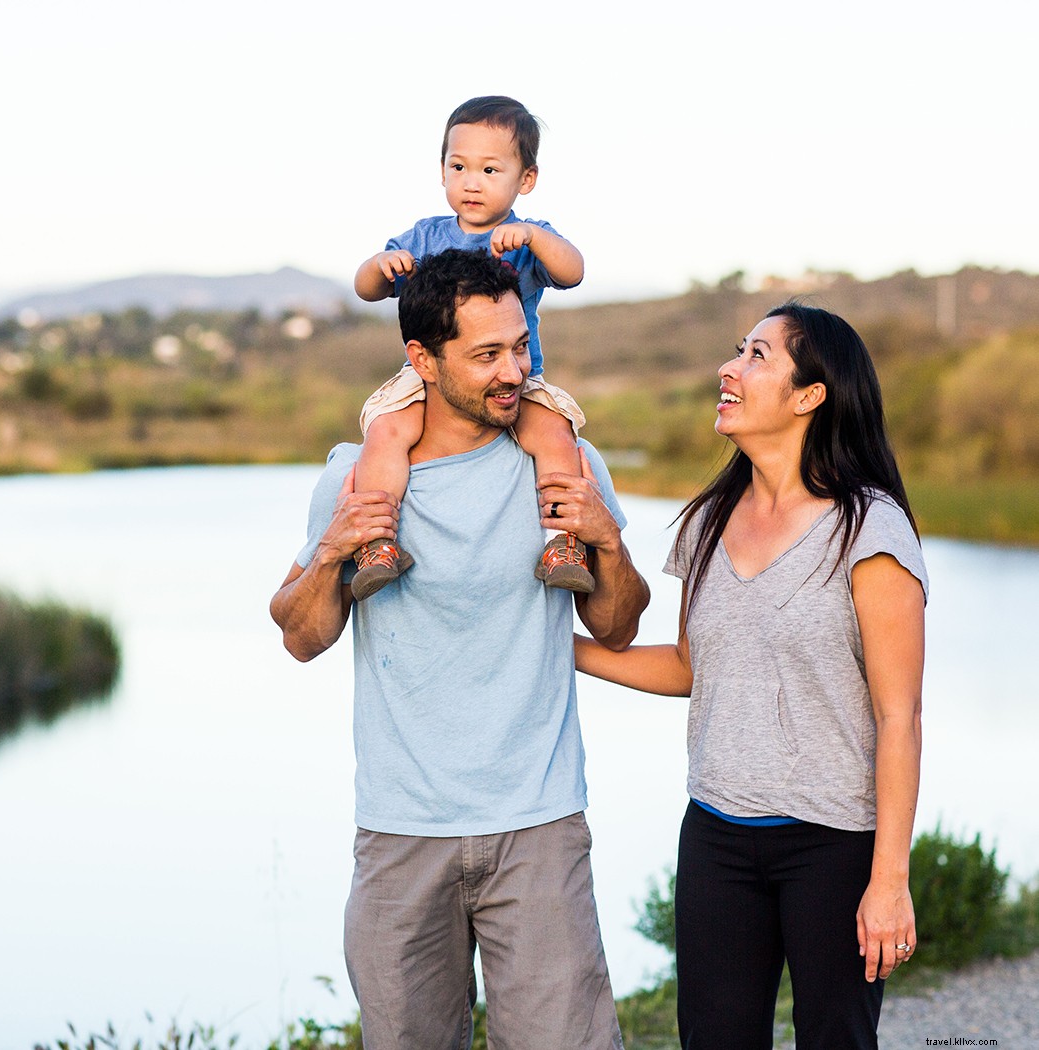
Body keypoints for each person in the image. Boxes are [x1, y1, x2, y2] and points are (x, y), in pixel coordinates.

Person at [270, 249, 649, 1048]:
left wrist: (606, 541)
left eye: (520, 347)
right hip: (402, 830)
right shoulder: (355, 478)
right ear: (422, 360)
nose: (512, 371)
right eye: (485, 355)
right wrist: (335, 550)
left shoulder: (570, 464)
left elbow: (616, 628)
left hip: (539, 825)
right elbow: (302, 636)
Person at [575, 303, 927, 1049]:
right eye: (738, 350)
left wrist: (888, 881)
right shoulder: (709, 519)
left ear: (810, 395)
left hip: (833, 845)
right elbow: (687, 668)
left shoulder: (870, 529)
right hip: (717, 837)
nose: (728, 370)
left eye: (758, 356)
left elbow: (900, 717)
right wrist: (560, 649)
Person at [348, 95, 593, 600]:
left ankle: (564, 541)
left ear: (526, 180)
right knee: (387, 429)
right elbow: (365, 288)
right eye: (458, 166)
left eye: (490, 169)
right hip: (433, 378)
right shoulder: (424, 237)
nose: (472, 181)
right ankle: (375, 541)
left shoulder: (528, 237)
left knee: (552, 434)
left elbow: (573, 272)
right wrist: (380, 267)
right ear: (441, 171)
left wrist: (532, 236)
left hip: (517, 378)